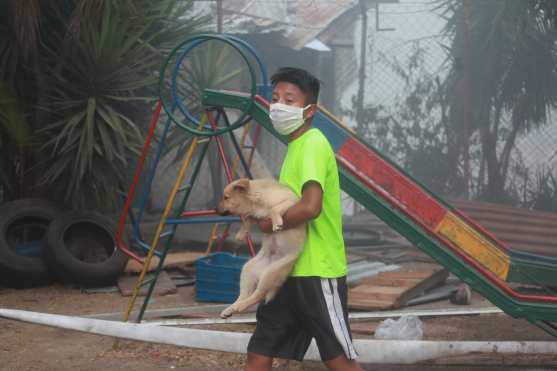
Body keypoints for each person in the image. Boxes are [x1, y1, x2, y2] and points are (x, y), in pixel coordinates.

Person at [245, 67, 363, 371]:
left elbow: (311, 207)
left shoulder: (312, 143)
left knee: (339, 360)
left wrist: (269, 224)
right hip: (286, 269)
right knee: (260, 347)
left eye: (289, 99)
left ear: (309, 110)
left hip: (316, 270)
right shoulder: (296, 147)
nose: (278, 105)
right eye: (275, 98)